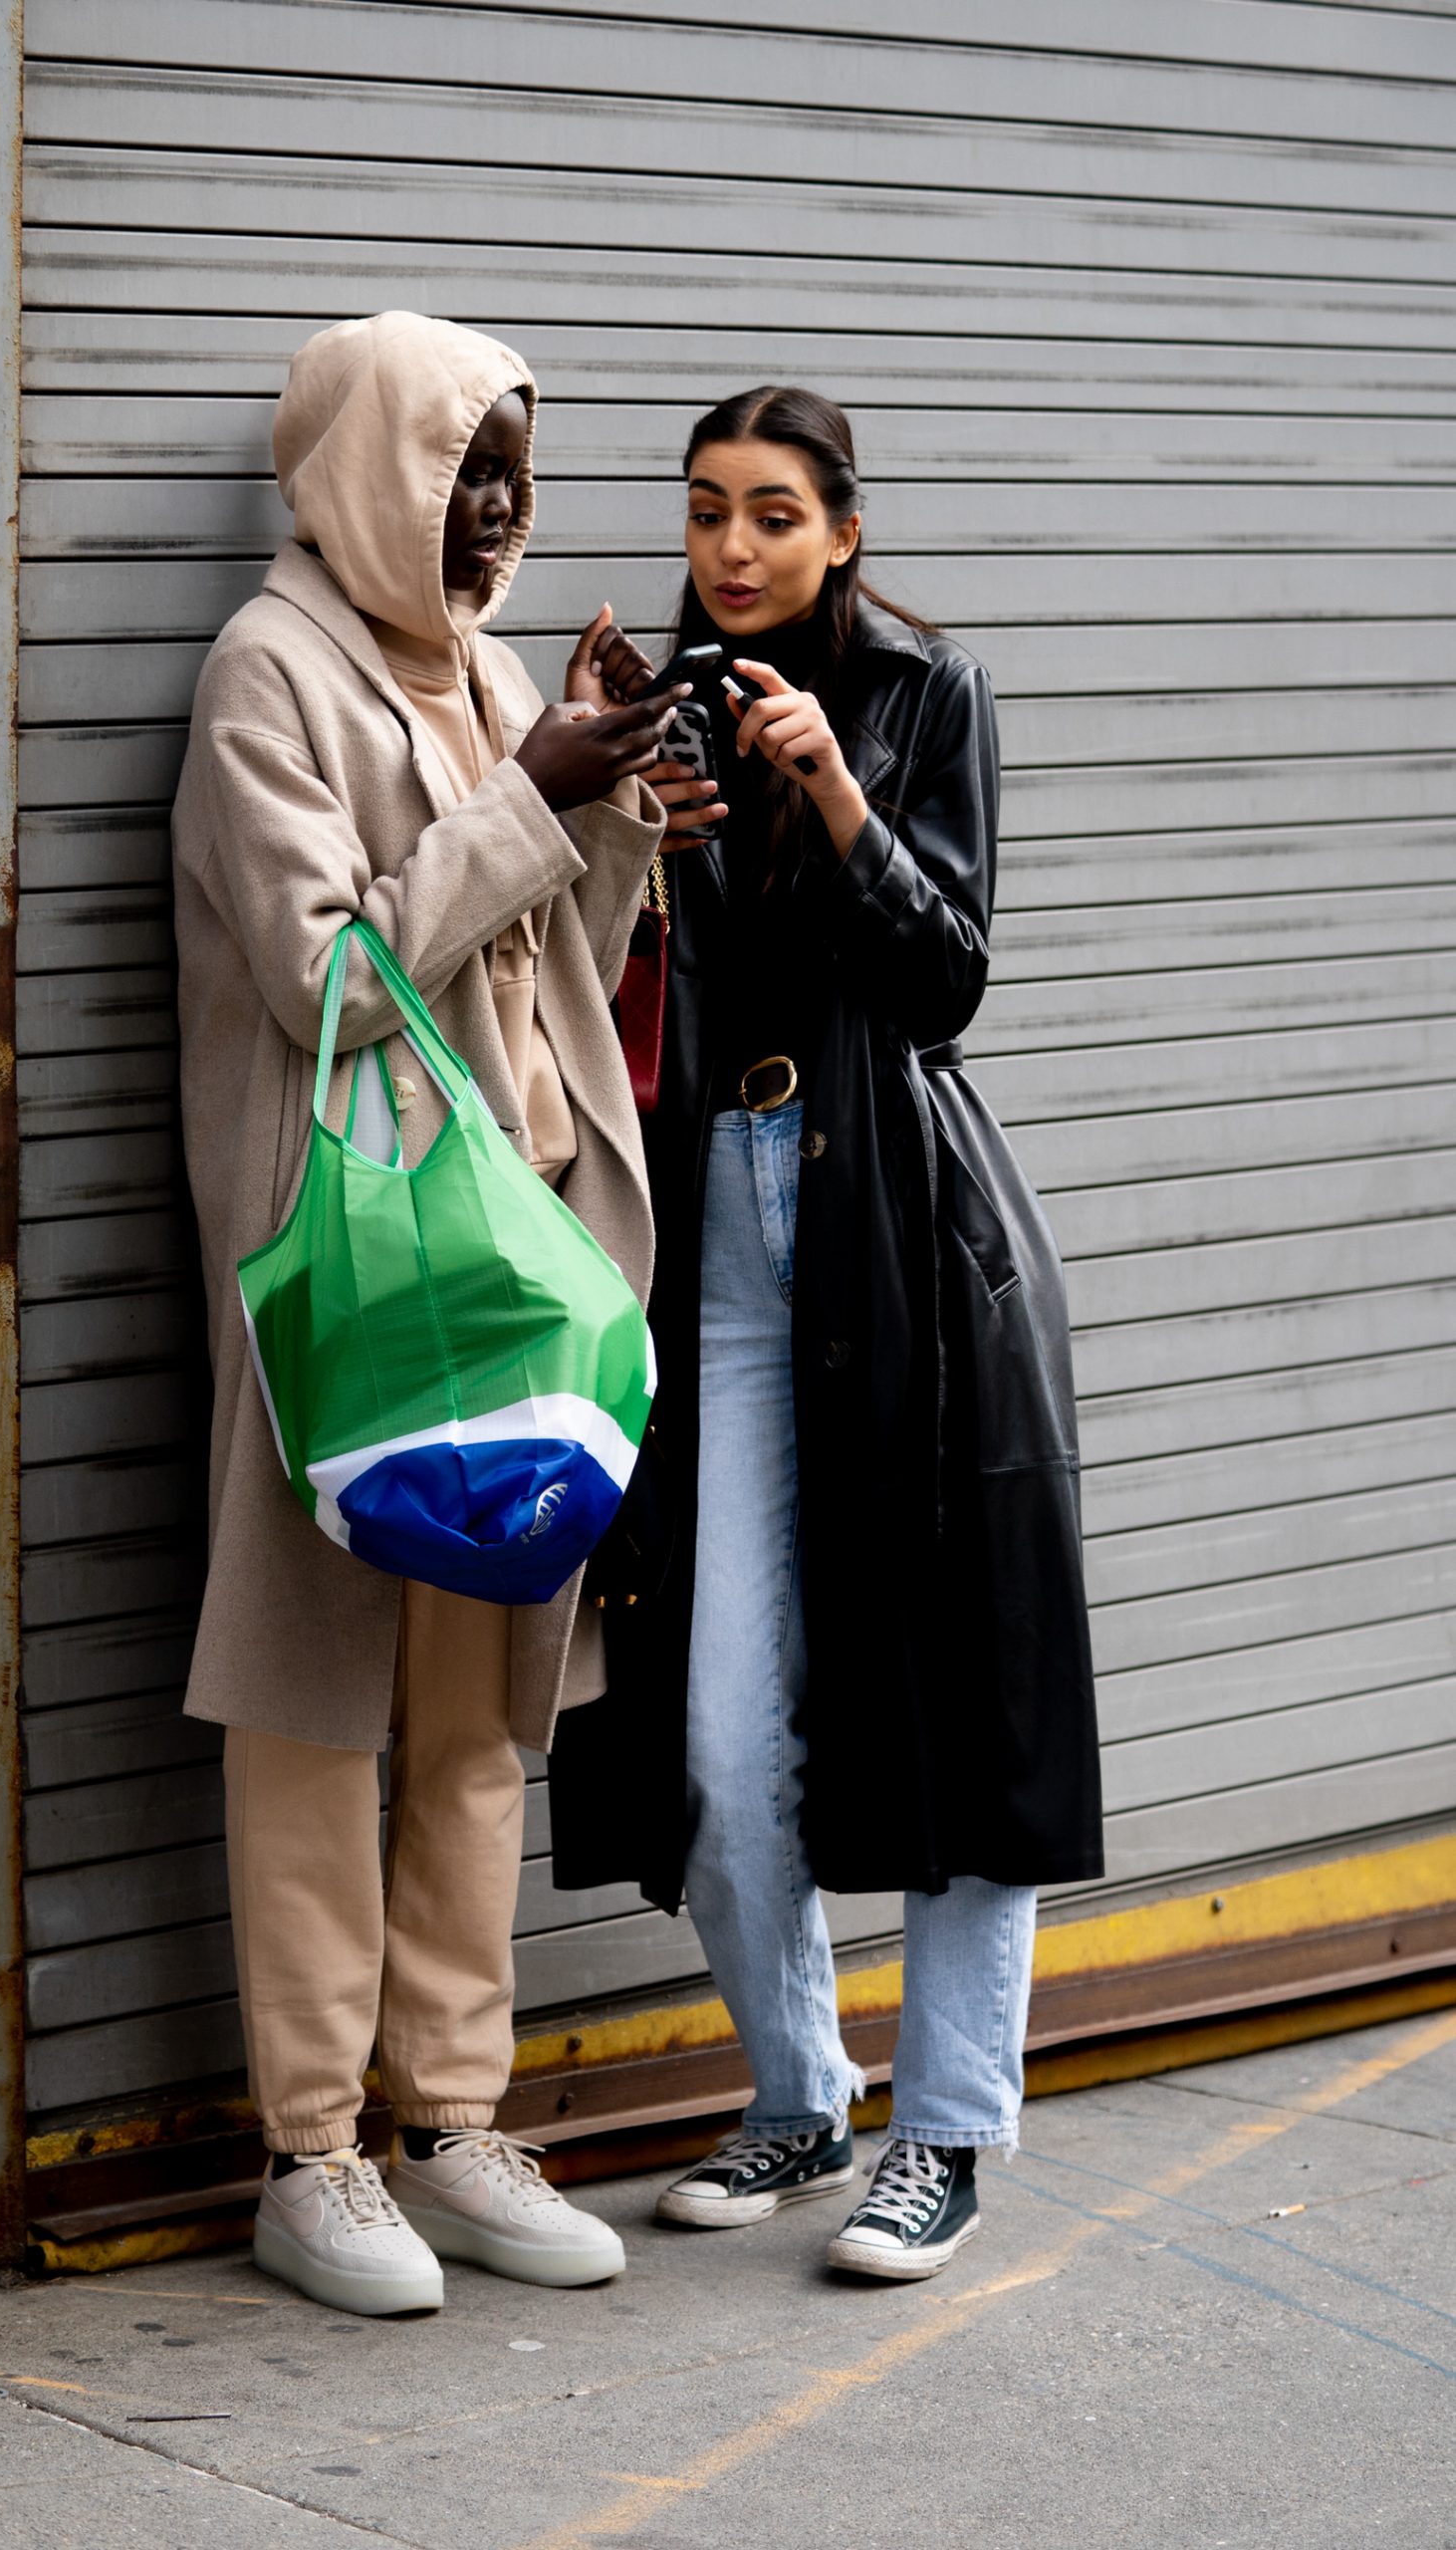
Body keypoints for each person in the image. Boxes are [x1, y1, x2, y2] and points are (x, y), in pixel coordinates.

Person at [551, 385, 1104, 2281]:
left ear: (845, 533)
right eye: (706, 511)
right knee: (710, 1729)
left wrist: (836, 794)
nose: (732, 549)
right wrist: (620, 809)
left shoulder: (925, 700)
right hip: (714, 1233)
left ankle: (944, 2134)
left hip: (890, 1232)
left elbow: (947, 977)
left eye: (774, 515)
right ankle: (801, 2095)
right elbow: (610, 985)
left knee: (956, 1704)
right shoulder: (670, 708)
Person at [171, 310, 680, 2317]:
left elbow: (544, 967)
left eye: (507, 475)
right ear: (364, 468)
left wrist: (615, 806)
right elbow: (330, 981)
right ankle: (315, 2151)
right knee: (313, 1704)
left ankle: (453, 2117)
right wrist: (523, 791)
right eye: (456, 467)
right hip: (362, 1260)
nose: (487, 513)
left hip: (519, 1253)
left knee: (484, 1711)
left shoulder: (475, 668)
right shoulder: (265, 675)